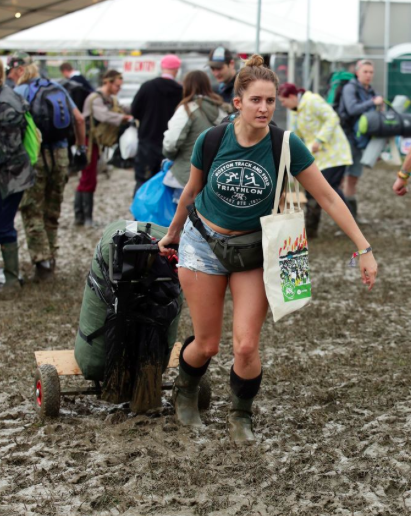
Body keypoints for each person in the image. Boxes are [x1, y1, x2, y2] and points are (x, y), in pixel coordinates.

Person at [158, 55, 377, 443]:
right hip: (203, 245)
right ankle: (185, 391)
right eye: (256, 100)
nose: (264, 108)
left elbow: (327, 196)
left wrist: (363, 248)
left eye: (271, 101)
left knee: (245, 345)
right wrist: (172, 234)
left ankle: (240, 414)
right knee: (206, 344)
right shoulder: (212, 139)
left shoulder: (285, 143)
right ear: (237, 102)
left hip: (254, 250)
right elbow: (190, 192)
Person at [13, 54, 86, 282]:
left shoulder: (20, 91)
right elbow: (79, 119)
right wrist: (81, 148)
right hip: (61, 154)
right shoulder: (57, 87)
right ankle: (52, 258)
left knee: (32, 208)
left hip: (35, 156)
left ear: (19, 71)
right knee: (53, 209)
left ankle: (42, 264)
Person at [278, 82, 353, 238]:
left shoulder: (312, 100)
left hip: (335, 154)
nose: (282, 105)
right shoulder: (295, 110)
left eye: (283, 101)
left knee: (328, 189)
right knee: (320, 190)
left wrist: (320, 139)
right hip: (319, 158)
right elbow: (295, 134)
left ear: (291, 96)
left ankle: (346, 225)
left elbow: (332, 118)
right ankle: (313, 230)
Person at [76, 70, 132, 227]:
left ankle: (80, 216)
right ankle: (85, 217)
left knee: (88, 176)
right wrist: (123, 118)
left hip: (96, 142)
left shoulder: (110, 99)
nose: (118, 89)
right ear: (107, 82)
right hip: (88, 141)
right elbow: (104, 116)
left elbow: (120, 108)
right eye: (117, 85)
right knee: (88, 177)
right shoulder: (95, 99)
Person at [0, 58, 35, 296]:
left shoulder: (6, 102)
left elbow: (9, 149)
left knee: (3, 227)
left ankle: (12, 280)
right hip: (13, 173)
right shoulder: (11, 95)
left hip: (11, 176)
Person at [162, 70, 227, 190]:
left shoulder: (187, 109)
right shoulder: (221, 109)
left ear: (186, 86)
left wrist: (170, 156)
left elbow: (171, 143)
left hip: (187, 176)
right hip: (216, 176)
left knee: (181, 208)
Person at [338, 59, 384, 220]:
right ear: (357, 72)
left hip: (361, 140)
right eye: (365, 71)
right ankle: (344, 217)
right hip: (346, 137)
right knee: (343, 178)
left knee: (354, 177)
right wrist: (372, 102)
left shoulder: (371, 91)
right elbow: (352, 109)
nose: (368, 75)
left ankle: (353, 216)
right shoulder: (350, 88)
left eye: (371, 72)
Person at [131, 54, 183, 192]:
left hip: (147, 141)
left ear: (161, 67)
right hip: (170, 144)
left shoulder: (147, 86)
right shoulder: (180, 90)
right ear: (177, 70)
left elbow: (134, 110)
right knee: (165, 182)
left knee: (143, 180)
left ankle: (140, 212)